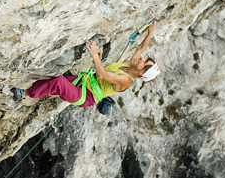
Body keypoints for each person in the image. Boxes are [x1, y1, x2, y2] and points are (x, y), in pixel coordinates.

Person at [11, 21, 161, 114]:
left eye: (144, 61)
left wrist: (95, 55)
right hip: (84, 81)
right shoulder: (131, 65)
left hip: (86, 96)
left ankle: (24, 93)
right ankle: (25, 93)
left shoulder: (126, 80)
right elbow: (141, 47)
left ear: (141, 72)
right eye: (144, 58)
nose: (141, 58)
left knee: (59, 83)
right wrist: (150, 32)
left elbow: (104, 76)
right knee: (54, 80)